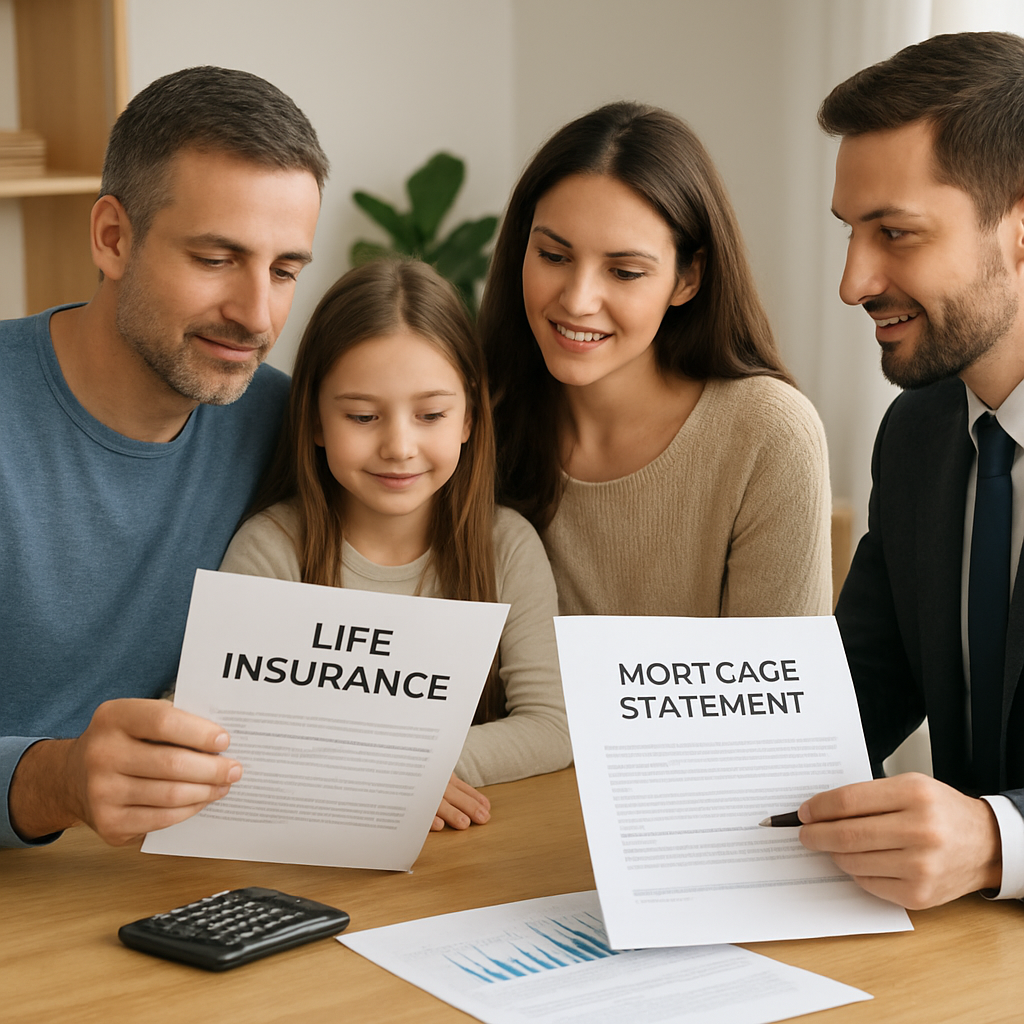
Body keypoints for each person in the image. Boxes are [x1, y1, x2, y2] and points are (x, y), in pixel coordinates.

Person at [0, 66, 328, 850]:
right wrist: (55, 778)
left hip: (181, 883)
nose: (256, 315)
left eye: (284, 271)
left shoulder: (291, 427)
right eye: (216, 258)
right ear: (113, 237)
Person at [219, 259, 571, 831]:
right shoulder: (272, 548)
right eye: (362, 416)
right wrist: (369, 773)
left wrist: (408, 770)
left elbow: (552, 725)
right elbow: (220, 722)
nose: (399, 446)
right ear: (313, 421)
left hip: (465, 849)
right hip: (314, 847)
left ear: (469, 419)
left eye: (431, 414)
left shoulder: (505, 544)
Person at [799, 31, 1024, 910]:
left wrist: (997, 842)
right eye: (852, 233)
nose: (854, 281)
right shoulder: (918, 434)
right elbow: (850, 697)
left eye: (894, 233)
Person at [480, 102, 832, 620]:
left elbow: (778, 695)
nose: (577, 300)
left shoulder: (769, 435)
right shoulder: (471, 416)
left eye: (624, 272)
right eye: (554, 257)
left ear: (687, 279)